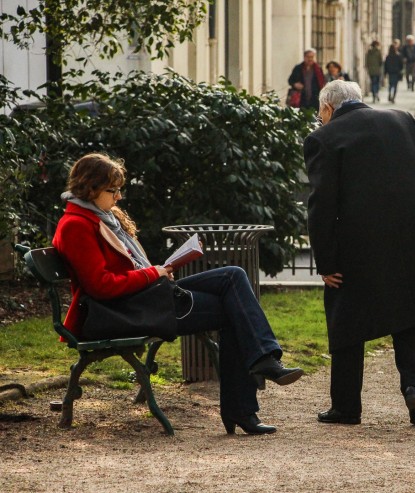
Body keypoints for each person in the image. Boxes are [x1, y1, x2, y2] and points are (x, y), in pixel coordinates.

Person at [52, 154, 304, 435]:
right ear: (90, 188)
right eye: (113, 190)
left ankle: (261, 367)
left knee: (233, 275)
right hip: (124, 311)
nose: (119, 196)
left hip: (144, 297)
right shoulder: (76, 225)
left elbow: (127, 268)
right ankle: (249, 393)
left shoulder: (102, 217)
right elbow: (101, 285)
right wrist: (153, 274)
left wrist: (158, 272)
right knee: (234, 311)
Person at [304, 80, 415, 426]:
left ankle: (346, 406)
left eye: (320, 114)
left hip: (357, 242)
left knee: (346, 318)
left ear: (329, 109)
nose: (320, 120)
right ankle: (412, 387)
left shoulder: (323, 138)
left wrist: (326, 262)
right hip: (414, 237)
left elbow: (321, 205)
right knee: (407, 314)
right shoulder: (402, 120)